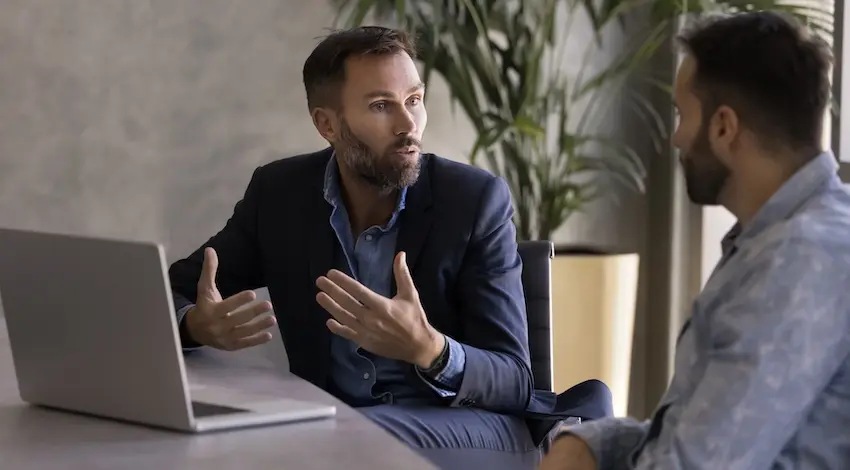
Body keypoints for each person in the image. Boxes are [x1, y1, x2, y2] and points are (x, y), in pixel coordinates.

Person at [167, 26, 612, 469]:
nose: (407, 125)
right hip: (339, 428)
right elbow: (169, 291)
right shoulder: (280, 194)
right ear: (327, 124)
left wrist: (429, 349)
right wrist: (194, 328)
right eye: (381, 106)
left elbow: (515, 379)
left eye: (414, 101)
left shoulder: (473, 200)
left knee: (341, 437)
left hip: (476, 423)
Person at [539, 10, 850, 470]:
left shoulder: (800, 258)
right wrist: (594, 442)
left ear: (724, 127)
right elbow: (699, 436)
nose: (676, 138)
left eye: (683, 115)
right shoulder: (772, 239)